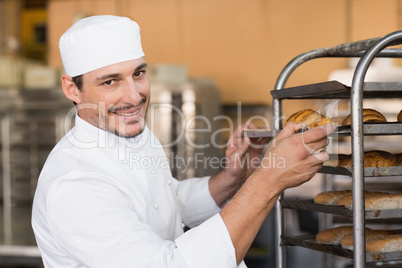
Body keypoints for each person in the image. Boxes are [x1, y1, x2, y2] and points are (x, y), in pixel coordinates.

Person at [31, 15, 335, 268]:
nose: (134, 96)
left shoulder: (128, 130)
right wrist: (268, 180)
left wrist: (233, 178)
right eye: (110, 81)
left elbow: (167, 202)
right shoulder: (75, 185)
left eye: (138, 73)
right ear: (72, 89)